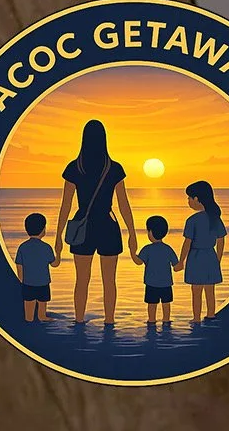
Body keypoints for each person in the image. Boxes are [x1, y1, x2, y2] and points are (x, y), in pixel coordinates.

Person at [54, 118, 136, 324]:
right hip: (108, 226)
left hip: (83, 226)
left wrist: (58, 236)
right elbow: (124, 205)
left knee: (82, 280)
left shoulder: (75, 168)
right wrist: (132, 234)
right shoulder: (114, 168)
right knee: (110, 281)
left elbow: (65, 206)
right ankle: (109, 322)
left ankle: (79, 322)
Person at [179, 179, 226, 322]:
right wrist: (217, 259)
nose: (188, 201)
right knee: (210, 290)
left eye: (189, 198)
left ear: (196, 199)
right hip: (210, 256)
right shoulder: (214, 218)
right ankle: (211, 314)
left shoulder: (192, 220)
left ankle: (196, 318)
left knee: (196, 290)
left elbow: (187, 242)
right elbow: (221, 240)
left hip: (196, 257)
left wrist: (181, 261)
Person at [137, 215, 178, 329]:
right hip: (166, 283)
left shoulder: (147, 249)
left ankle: (151, 321)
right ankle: (166, 321)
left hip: (151, 284)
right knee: (166, 304)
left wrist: (132, 253)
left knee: (152, 304)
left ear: (150, 232)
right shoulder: (168, 249)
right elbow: (176, 264)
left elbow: (139, 261)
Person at [13, 211, 55, 322]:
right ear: (43, 230)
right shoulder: (47, 247)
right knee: (42, 309)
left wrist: (22, 280)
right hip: (43, 283)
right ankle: (42, 317)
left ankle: (29, 319)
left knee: (28, 311)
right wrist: (59, 254)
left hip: (28, 283)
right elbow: (54, 263)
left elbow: (19, 265)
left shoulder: (22, 247)